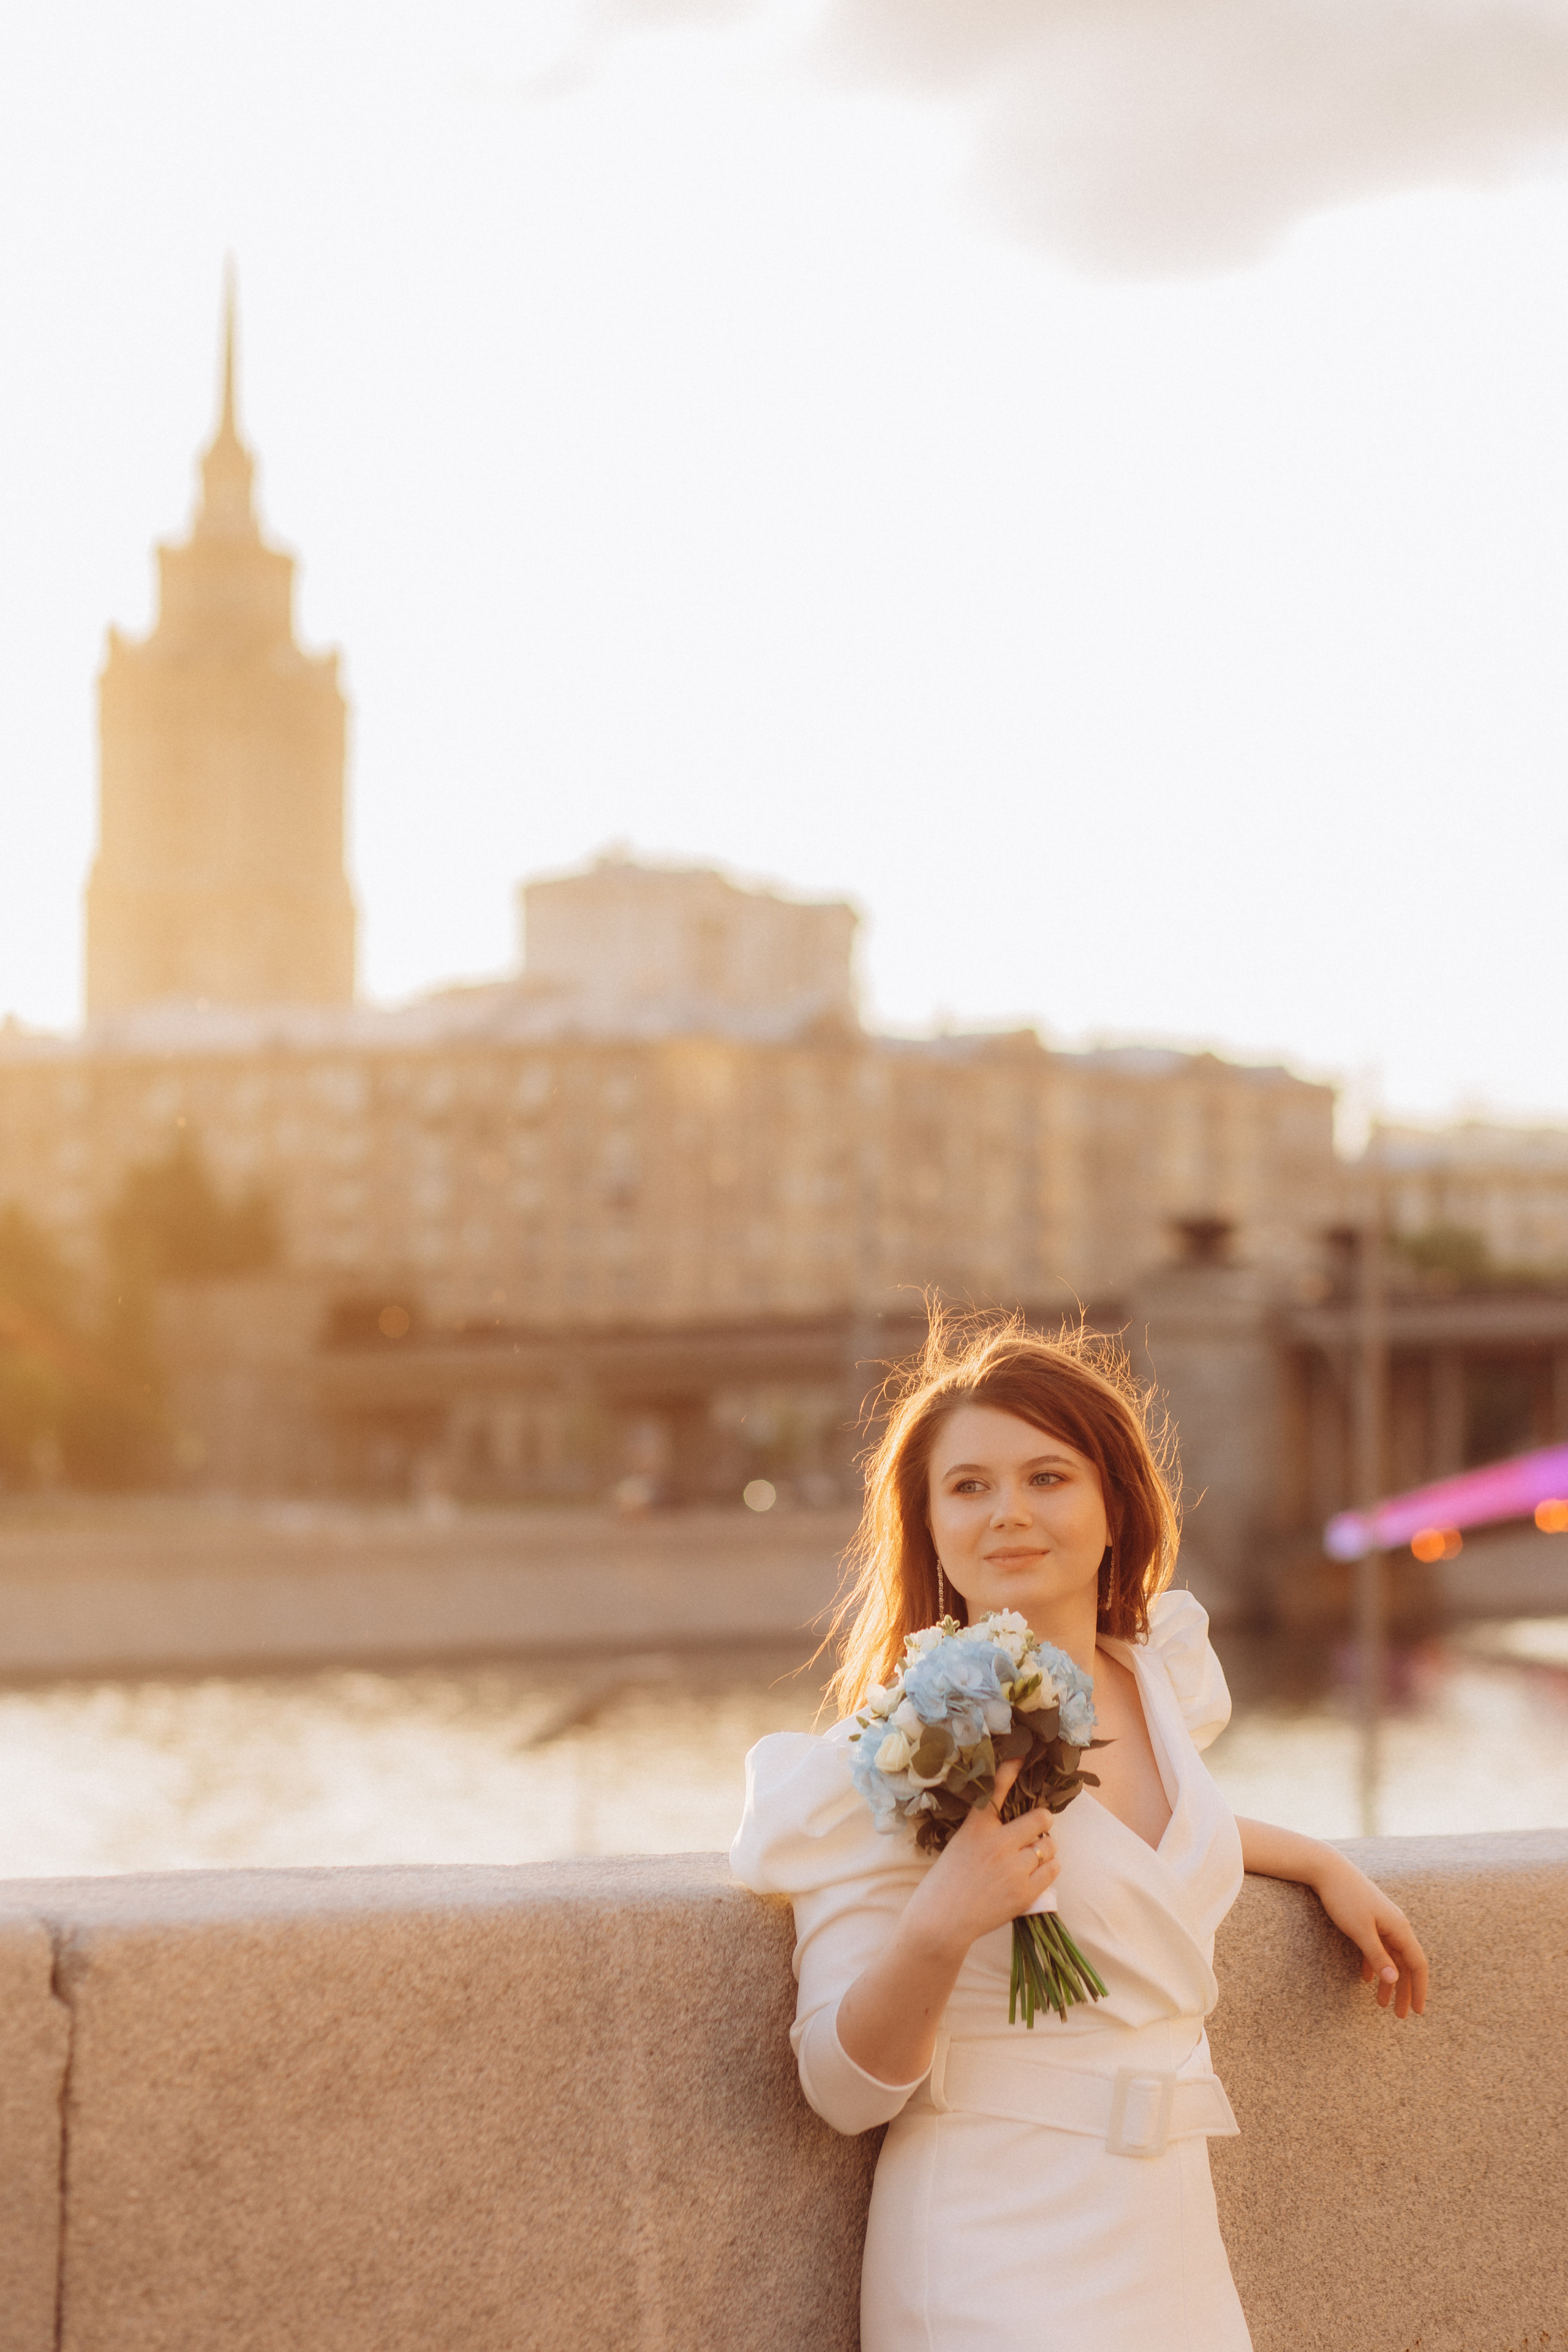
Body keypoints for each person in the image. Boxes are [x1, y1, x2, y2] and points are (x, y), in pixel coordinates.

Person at [730, 1315, 1428, 2352]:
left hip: (1169, 2239)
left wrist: (1319, 1859)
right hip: (989, 2253)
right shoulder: (892, 1753)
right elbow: (839, 2090)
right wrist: (940, 1924)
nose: (1008, 1512)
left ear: (1115, 1506)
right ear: (928, 1524)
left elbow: (1133, 1848)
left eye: (1047, 1477)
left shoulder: (1158, 1681)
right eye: (969, 1486)